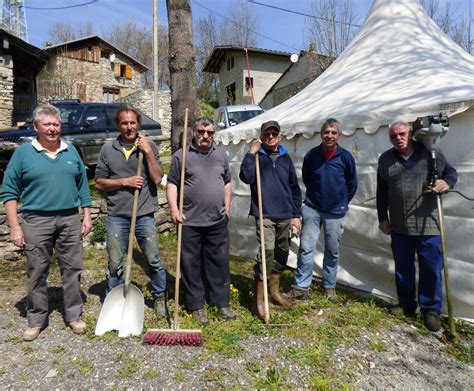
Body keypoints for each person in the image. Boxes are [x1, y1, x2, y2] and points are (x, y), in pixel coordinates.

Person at [2, 104, 92, 341]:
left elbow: (83, 186)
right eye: (47, 124)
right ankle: (36, 318)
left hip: (70, 219)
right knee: (37, 270)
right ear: (36, 127)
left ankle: (73, 315)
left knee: (72, 269)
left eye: (56, 124)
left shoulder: (71, 151)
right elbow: (9, 192)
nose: (52, 129)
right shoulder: (23, 154)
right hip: (36, 221)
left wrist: (87, 215)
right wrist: (14, 226)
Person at [376, 121, 457, 332]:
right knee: (403, 269)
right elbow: (382, 191)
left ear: (410, 134)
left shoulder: (430, 153)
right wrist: (382, 217)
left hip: (428, 225)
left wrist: (445, 183)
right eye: (393, 136)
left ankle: (431, 310)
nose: (398, 138)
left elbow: (450, 173)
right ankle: (407, 305)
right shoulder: (386, 159)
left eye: (402, 134)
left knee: (431, 269)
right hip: (400, 225)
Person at [95, 107, 167, 317]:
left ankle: (160, 297)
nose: (129, 127)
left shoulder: (149, 145)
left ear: (138, 125)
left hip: (144, 213)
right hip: (117, 215)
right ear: (118, 126)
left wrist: (147, 152)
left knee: (153, 258)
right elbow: (99, 183)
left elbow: (157, 178)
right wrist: (124, 182)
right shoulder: (108, 149)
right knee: (115, 261)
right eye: (124, 123)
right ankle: (114, 301)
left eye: (132, 123)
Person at [166, 118, 235, 326]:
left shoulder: (221, 155)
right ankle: (196, 305)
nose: (206, 136)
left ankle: (221, 302)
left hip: (217, 220)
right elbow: (172, 184)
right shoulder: (182, 156)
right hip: (190, 221)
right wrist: (174, 209)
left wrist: (228, 206)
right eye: (201, 131)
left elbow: (228, 182)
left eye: (210, 132)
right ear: (193, 132)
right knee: (190, 264)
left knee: (219, 262)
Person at [284, 118, 357, 301]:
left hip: (336, 212)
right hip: (312, 208)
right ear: (321, 134)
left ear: (338, 135)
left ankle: (329, 286)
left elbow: (352, 184)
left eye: (333, 132)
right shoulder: (312, 156)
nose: (329, 136)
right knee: (306, 248)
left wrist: (341, 201)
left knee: (332, 250)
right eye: (327, 132)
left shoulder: (346, 157)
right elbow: (307, 178)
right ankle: (301, 287)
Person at [239, 120, 302, 319]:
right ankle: (258, 301)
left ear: (280, 136)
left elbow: (294, 188)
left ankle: (273, 292)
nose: (271, 137)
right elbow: (246, 177)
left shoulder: (285, 158)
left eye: (274, 134)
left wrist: (296, 215)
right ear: (262, 136)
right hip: (264, 213)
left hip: (285, 213)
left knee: (282, 252)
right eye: (267, 134)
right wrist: (251, 153)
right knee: (266, 254)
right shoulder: (256, 157)